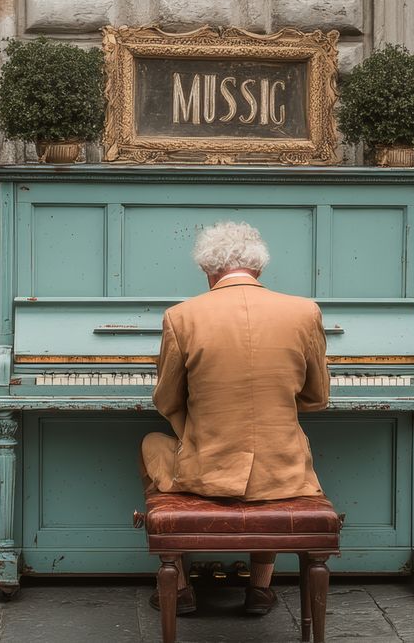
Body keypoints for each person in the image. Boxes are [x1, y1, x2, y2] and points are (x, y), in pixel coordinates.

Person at [140, 221, 330, 617]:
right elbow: (317, 397)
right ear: (259, 269)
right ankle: (260, 587)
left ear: (208, 272)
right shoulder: (304, 312)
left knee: (151, 443)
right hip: (283, 473)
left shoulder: (181, 316)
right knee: (276, 461)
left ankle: (180, 585)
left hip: (210, 472)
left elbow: (166, 399)